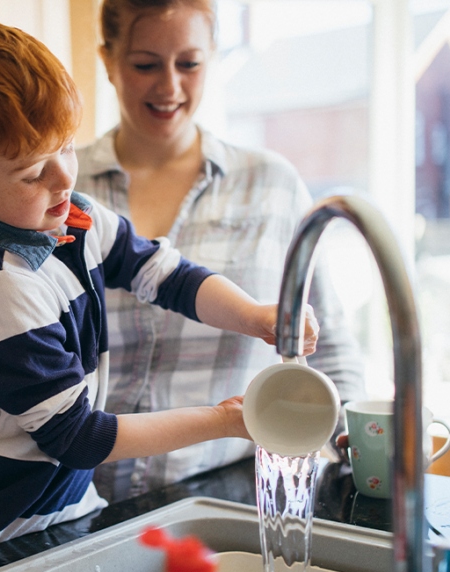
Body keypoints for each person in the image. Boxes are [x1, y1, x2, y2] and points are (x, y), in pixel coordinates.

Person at [0, 9, 319, 563]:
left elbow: (168, 276)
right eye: (32, 172)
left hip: (66, 513)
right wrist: (224, 421)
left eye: (67, 147)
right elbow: (79, 438)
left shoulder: (74, 218)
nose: (64, 178)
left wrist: (255, 316)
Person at [75, 0, 367, 502]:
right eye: (145, 64)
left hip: (231, 494)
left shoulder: (271, 185)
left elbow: (329, 348)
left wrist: (359, 449)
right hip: (79, 503)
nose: (169, 86)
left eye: (189, 63)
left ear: (212, 56)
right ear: (108, 60)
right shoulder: (59, 188)